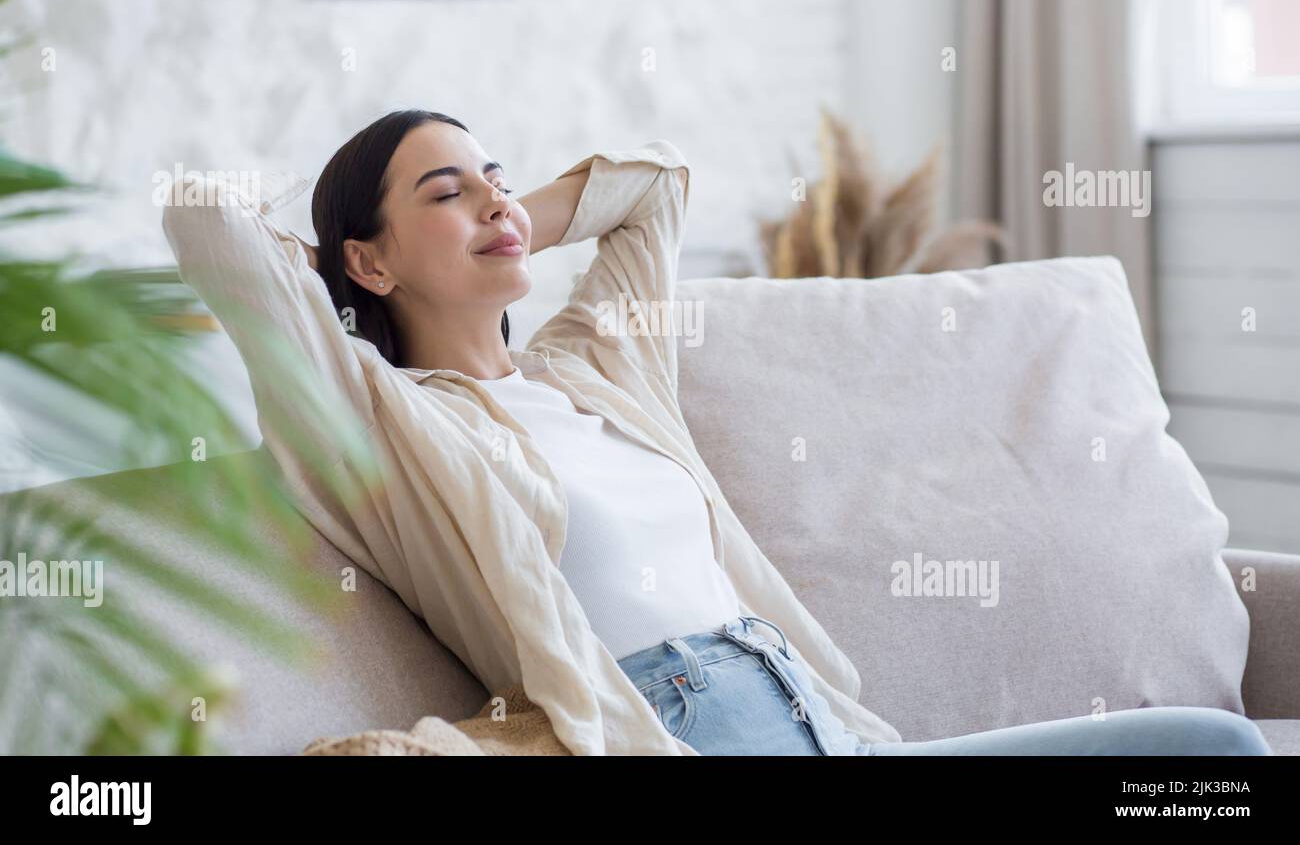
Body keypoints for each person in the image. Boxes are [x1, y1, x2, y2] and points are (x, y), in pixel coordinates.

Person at [161, 109, 1271, 756]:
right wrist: (348, 269)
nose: (495, 202)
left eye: (497, 179)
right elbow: (204, 219)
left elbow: (656, 191)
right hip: (680, 729)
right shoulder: (385, 421)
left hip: (827, 718)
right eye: (445, 191)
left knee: (1202, 758)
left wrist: (500, 220)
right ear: (367, 257)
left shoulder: (594, 362)